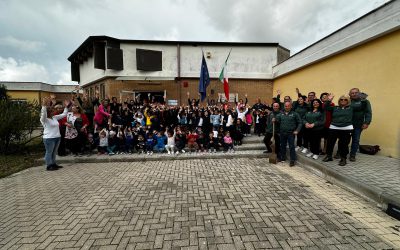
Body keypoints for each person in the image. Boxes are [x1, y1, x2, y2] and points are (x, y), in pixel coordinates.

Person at [323, 94, 354, 166]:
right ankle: (329, 156)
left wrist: (362, 99)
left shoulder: (351, 108)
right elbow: (325, 108)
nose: (343, 101)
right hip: (334, 127)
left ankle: (343, 159)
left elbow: (362, 107)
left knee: (344, 144)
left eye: (345, 99)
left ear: (348, 101)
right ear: (339, 101)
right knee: (330, 143)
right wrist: (329, 100)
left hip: (346, 128)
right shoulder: (335, 108)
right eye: (341, 99)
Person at [40, 97, 69, 171]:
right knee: (49, 152)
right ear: (48, 112)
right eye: (52, 111)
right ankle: (49, 165)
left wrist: (66, 107)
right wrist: (44, 105)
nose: (54, 112)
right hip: (49, 138)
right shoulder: (44, 119)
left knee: (54, 152)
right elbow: (43, 114)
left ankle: (53, 163)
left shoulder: (55, 117)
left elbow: (64, 114)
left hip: (57, 137)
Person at [274, 102, 302, 166]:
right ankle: (282, 158)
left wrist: (297, 130)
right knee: (282, 146)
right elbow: (277, 121)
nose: (287, 107)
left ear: (291, 106)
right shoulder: (281, 114)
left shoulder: (295, 114)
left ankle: (292, 160)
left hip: (291, 133)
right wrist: (274, 120)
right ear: (284, 106)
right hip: (282, 133)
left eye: (288, 106)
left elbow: (300, 122)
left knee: (291, 146)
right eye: (285, 106)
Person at [349, 88, 372, 161]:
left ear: (359, 93)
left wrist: (366, 122)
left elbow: (368, 113)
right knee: (344, 139)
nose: (354, 94)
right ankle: (340, 152)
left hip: (358, 125)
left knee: (355, 140)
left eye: (356, 92)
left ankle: (352, 155)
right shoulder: (347, 101)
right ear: (349, 94)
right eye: (352, 93)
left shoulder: (365, 101)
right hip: (347, 124)